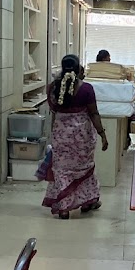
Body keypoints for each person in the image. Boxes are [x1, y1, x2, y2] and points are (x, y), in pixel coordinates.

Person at [42, 54, 108, 219]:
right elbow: (94, 113)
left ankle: (64, 208)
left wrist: (53, 135)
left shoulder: (52, 88)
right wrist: (102, 134)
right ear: (79, 69)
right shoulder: (86, 89)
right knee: (84, 169)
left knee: (62, 171)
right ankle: (87, 201)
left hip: (61, 136)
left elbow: (54, 112)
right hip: (82, 139)